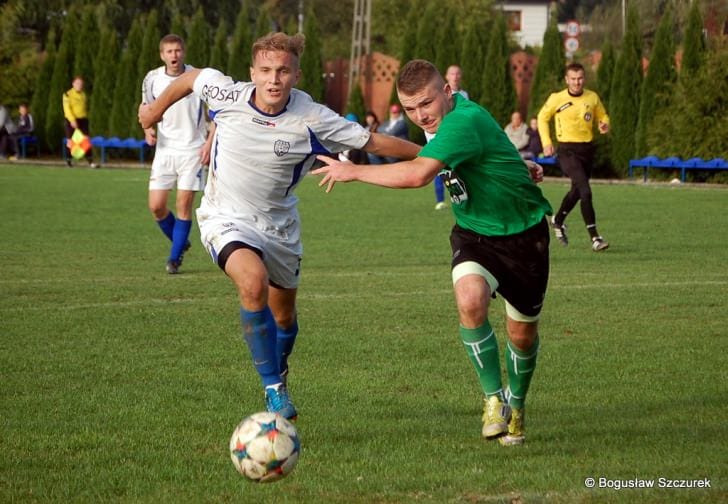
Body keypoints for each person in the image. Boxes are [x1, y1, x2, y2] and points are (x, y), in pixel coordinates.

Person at [138, 32, 420, 421]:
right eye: (266, 70)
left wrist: (437, 156)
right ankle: (272, 389)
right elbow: (190, 79)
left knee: (284, 318)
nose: (274, 79)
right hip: (225, 217)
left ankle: (279, 373)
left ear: (297, 75)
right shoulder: (226, 94)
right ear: (252, 72)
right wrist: (154, 111)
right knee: (252, 283)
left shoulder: (314, 118)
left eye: (283, 71)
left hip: (280, 228)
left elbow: (374, 143)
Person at [312, 59, 552, 446]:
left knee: (521, 336)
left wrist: (354, 171)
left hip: (524, 238)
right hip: (474, 234)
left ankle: (517, 404)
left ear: (446, 92)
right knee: (470, 299)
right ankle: (493, 399)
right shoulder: (440, 125)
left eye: (426, 104)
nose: (421, 116)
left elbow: (418, 174)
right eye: (410, 109)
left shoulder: (461, 120)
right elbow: (468, 151)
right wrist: (519, 164)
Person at [142, 34, 213, 275]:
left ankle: (174, 259)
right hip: (164, 150)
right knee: (156, 207)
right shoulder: (152, 78)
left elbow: (216, 115)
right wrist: (147, 129)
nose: (174, 55)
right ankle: (180, 240)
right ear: (162, 55)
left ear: (184, 52)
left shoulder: (198, 78)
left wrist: (208, 144)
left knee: (183, 204)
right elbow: (145, 109)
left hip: (192, 150)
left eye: (178, 50)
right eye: (169, 51)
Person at [537, 62, 610, 251]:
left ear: (584, 78)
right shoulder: (556, 98)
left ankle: (558, 220)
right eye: (573, 79)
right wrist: (546, 142)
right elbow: (542, 118)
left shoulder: (592, 97)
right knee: (585, 191)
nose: (577, 82)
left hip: (587, 150)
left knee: (577, 191)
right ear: (566, 80)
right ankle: (595, 237)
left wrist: (604, 124)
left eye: (580, 79)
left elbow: (603, 115)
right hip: (567, 150)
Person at [433, 64, 470, 209]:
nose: (455, 76)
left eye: (457, 74)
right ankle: (440, 200)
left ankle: (462, 198)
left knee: (459, 168)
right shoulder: (441, 94)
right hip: (443, 134)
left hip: (459, 136)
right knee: (439, 166)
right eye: (452, 74)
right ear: (446, 76)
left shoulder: (464, 95)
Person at [63, 76, 97, 168]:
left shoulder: (83, 94)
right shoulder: (67, 94)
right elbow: (67, 109)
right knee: (70, 141)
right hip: (71, 120)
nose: (79, 85)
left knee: (86, 140)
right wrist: (72, 120)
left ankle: (90, 161)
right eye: (77, 83)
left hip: (83, 120)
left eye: (81, 84)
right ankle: (68, 161)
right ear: (73, 84)